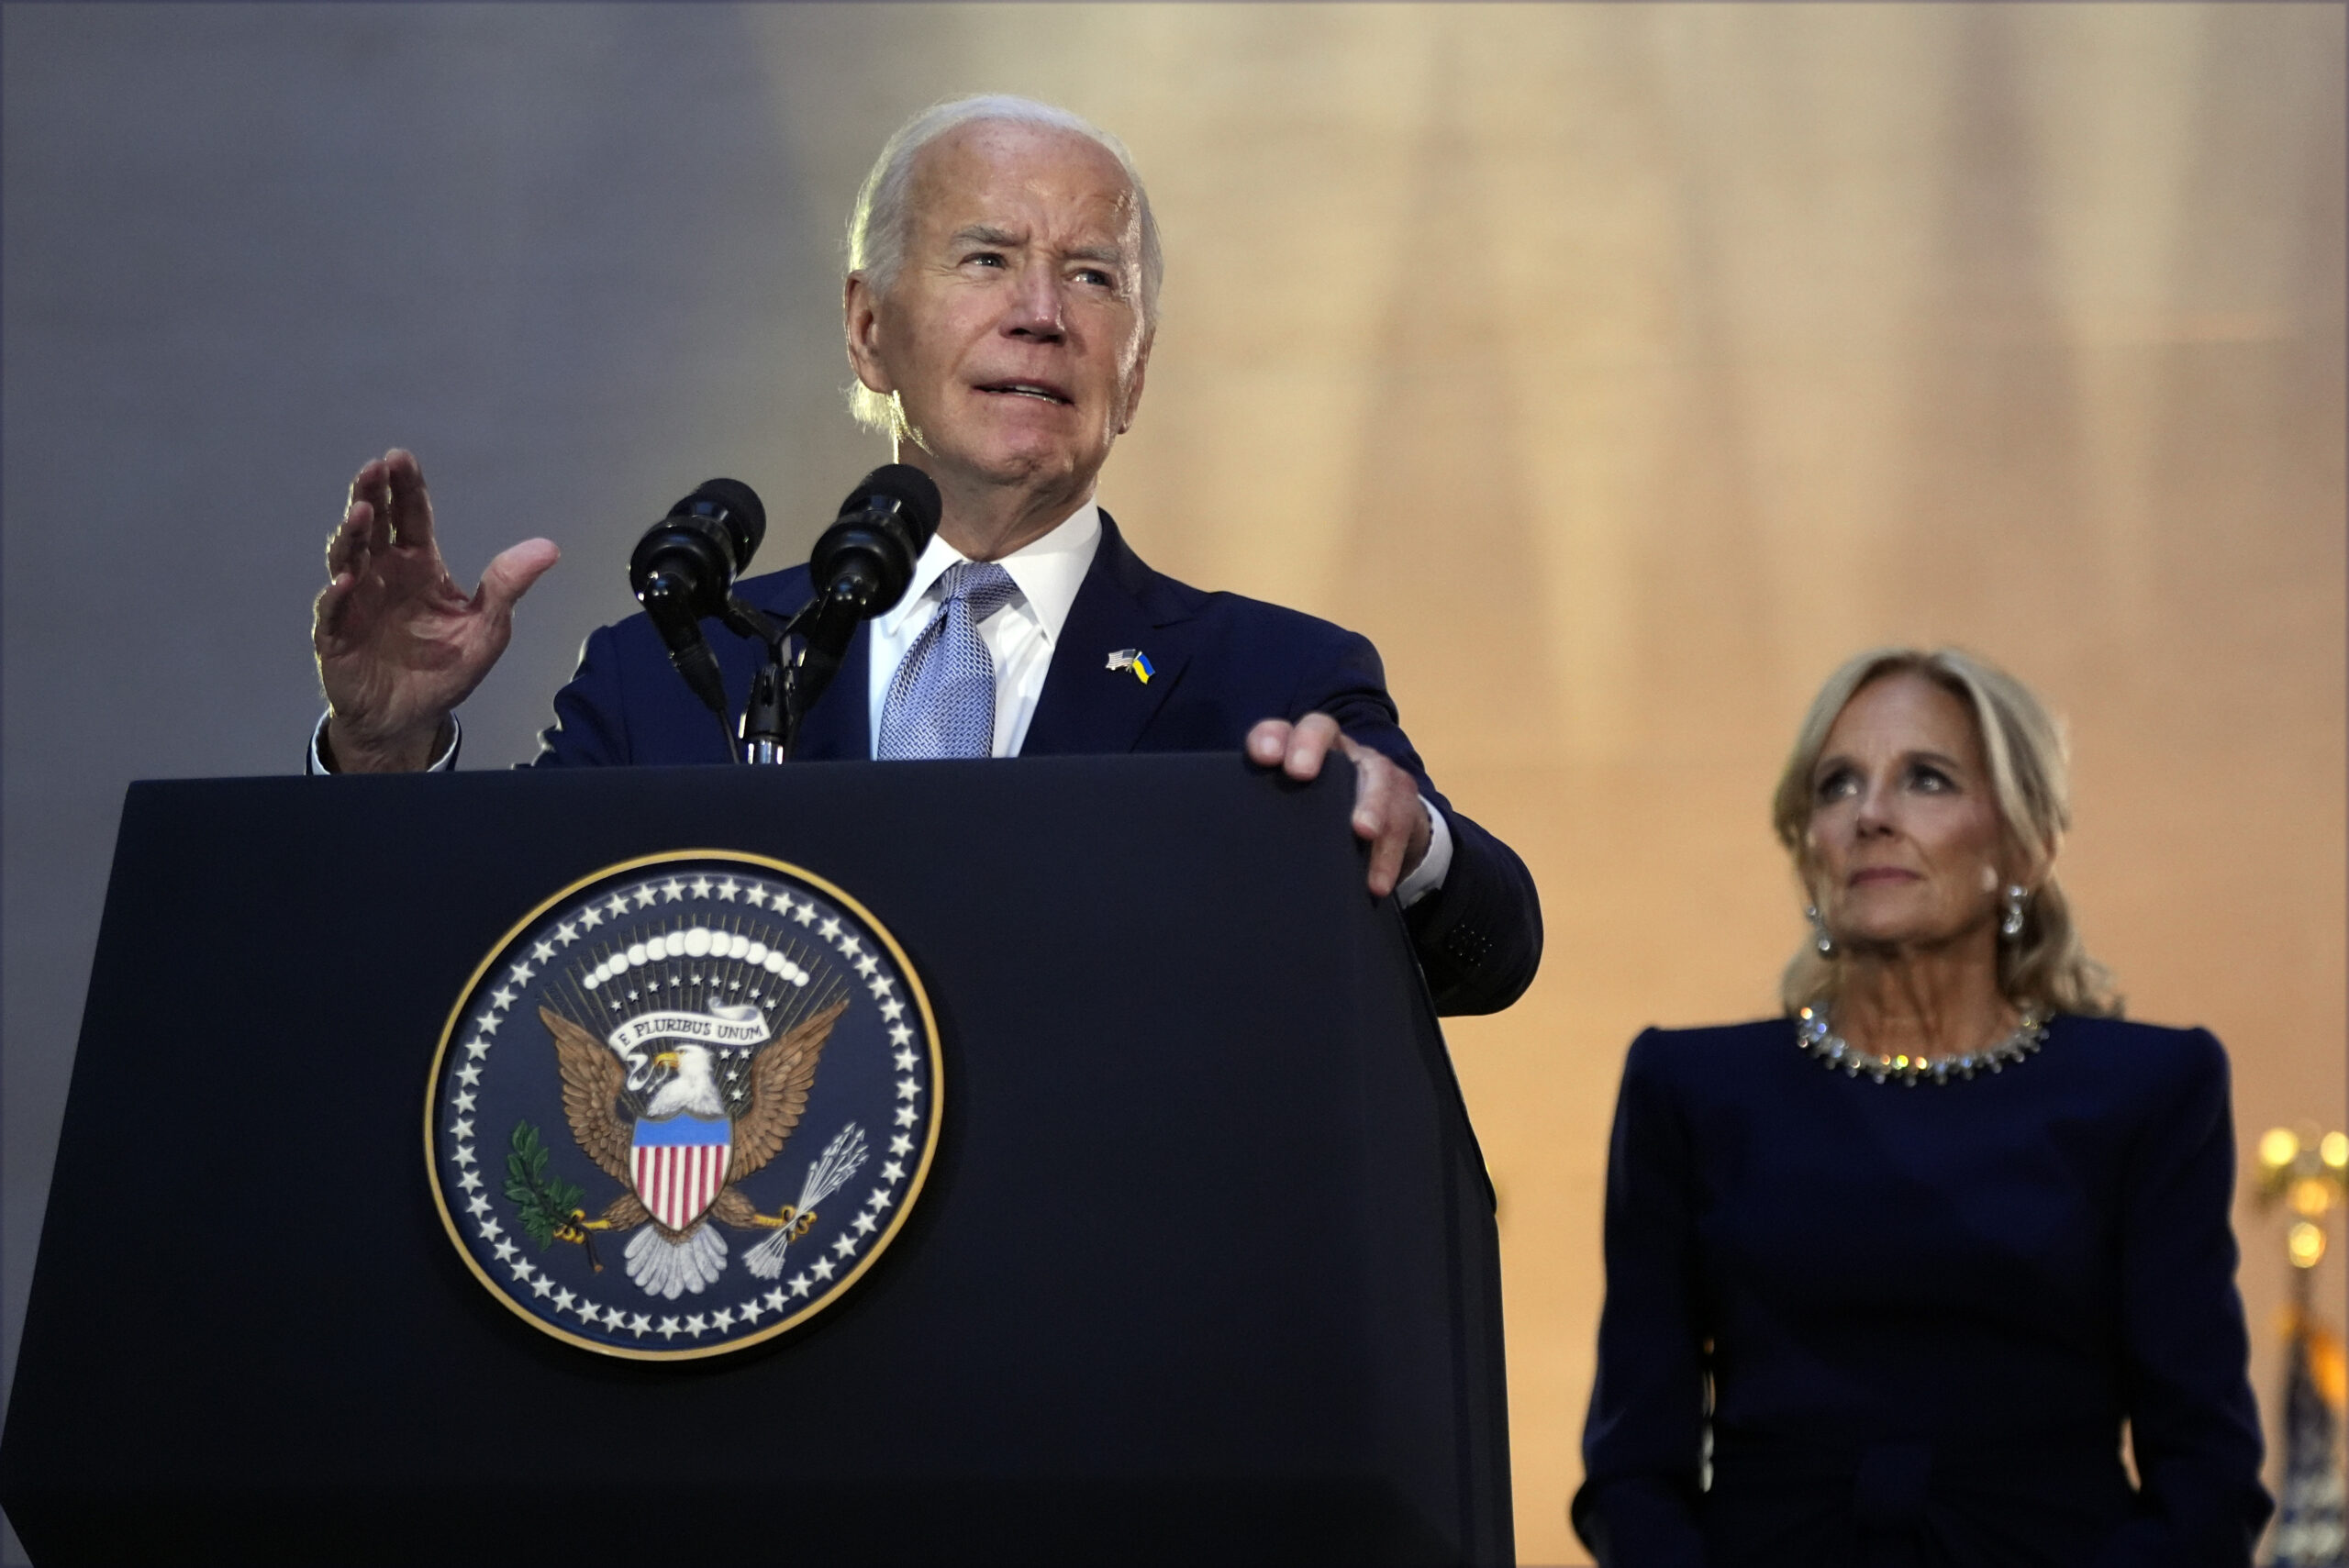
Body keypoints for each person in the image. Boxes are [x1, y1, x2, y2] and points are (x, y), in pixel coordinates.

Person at [306, 95, 1540, 1016]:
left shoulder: (1272, 678)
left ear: (1138, 369)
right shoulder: (666, 679)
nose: (1043, 314)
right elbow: (470, 968)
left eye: (1093, 277)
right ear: (866, 328)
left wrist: (1405, 834)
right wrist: (382, 749)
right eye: (989, 258)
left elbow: (1493, 951)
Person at [1574, 648, 2271, 1565]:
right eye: (1838, 785)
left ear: (2023, 847)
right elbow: (1632, 1470)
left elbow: (2207, 1477)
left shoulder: (2146, 1088)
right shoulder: (1690, 1088)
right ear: (1806, 841)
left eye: (1926, 780)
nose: (1871, 815)